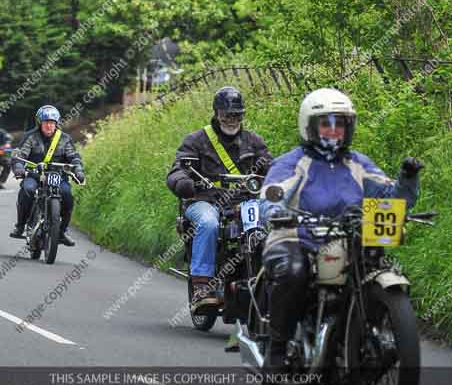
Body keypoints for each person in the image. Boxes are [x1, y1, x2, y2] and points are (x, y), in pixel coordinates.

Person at [259, 87, 423, 368]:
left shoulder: (358, 163)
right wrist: (276, 211)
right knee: (294, 271)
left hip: (348, 239)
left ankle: (370, 333)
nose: (334, 131)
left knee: (378, 267)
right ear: (308, 126)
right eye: (326, 123)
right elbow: (271, 194)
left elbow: (390, 200)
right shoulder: (294, 162)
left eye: (341, 124)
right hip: (298, 236)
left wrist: (407, 179)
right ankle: (278, 347)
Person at [167, 86, 273, 313]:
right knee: (208, 222)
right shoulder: (197, 140)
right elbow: (178, 168)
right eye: (227, 115)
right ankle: (202, 287)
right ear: (216, 113)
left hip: (245, 201)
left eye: (237, 115)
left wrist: (283, 180)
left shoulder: (254, 142)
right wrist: (182, 182)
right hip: (204, 200)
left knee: (270, 218)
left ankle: (271, 279)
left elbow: (271, 167)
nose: (232, 120)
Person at [9, 105, 85, 247]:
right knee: (27, 190)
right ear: (40, 123)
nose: (49, 126)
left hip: (58, 176)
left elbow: (73, 157)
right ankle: (20, 225)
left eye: (52, 122)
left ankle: (62, 231)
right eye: (46, 122)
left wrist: (78, 170)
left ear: (56, 124)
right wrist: (18, 167)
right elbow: (20, 155)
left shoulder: (64, 139)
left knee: (67, 195)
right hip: (34, 175)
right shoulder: (30, 137)